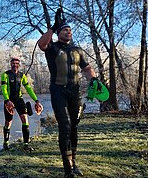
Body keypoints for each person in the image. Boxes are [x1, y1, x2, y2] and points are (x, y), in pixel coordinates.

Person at [38, 9, 99, 178]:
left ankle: (74, 163)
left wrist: (93, 79)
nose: (68, 31)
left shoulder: (77, 50)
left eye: (70, 29)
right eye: (65, 29)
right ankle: (67, 170)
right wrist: (53, 26)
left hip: (75, 92)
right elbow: (41, 44)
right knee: (64, 127)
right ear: (58, 33)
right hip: (58, 92)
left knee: (74, 127)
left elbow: (86, 68)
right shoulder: (53, 47)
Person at [0, 57, 43, 151]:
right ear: (10, 64)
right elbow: (3, 89)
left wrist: (36, 100)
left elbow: (28, 88)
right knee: (8, 122)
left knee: (25, 119)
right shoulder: (5, 75)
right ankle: (6, 143)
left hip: (19, 99)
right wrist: (7, 100)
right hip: (9, 100)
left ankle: (26, 145)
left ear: (19, 65)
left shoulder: (22, 75)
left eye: (16, 63)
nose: (15, 65)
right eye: (13, 63)